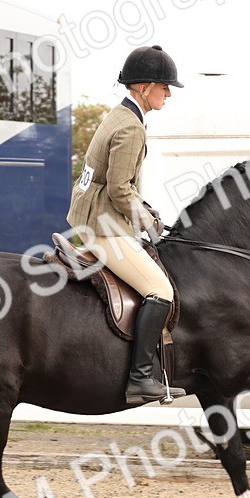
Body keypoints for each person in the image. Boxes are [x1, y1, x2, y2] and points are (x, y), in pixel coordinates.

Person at [67, 45, 187, 406]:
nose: (168, 93)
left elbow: (120, 185)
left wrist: (145, 209)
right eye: (165, 87)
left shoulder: (120, 115)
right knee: (160, 291)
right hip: (103, 228)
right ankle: (140, 379)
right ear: (145, 86)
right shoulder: (131, 127)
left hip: (93, 218)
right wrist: (147, 220)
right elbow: (120, 189)